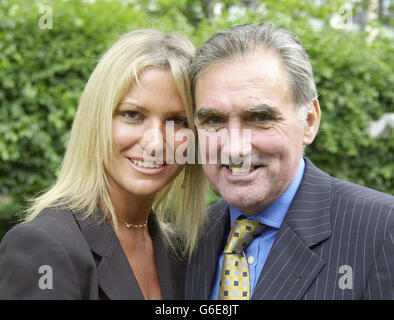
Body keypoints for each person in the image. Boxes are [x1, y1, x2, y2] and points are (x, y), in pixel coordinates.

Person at [186, 23, 394, 300]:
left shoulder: (382, 231)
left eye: (260, 118)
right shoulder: (189, 239)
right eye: (214, 120)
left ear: (309, 121)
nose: (235, 147)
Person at [0, 29, 207, 299]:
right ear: (96, 121)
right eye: (133, 115)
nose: (155, 143)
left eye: (178, 121)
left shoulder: (183, 253)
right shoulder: (43, 247)